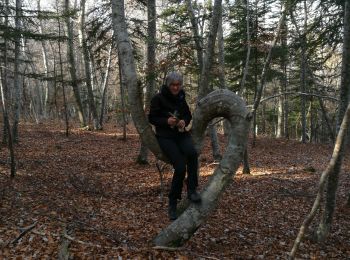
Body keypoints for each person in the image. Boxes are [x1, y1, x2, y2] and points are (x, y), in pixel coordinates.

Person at [148, 71, 201, 220]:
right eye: (173, 85)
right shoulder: (158, 98)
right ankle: (172, 202)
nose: (176, 88)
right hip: (165, 137)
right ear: (168, 84)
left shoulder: (181, 97)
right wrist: (166, 121)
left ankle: (191, 190)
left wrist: (184, 121)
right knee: (179, 167)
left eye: (178, 85)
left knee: (192, 153)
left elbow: (188, 114)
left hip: (181, 134)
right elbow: (152, 117)